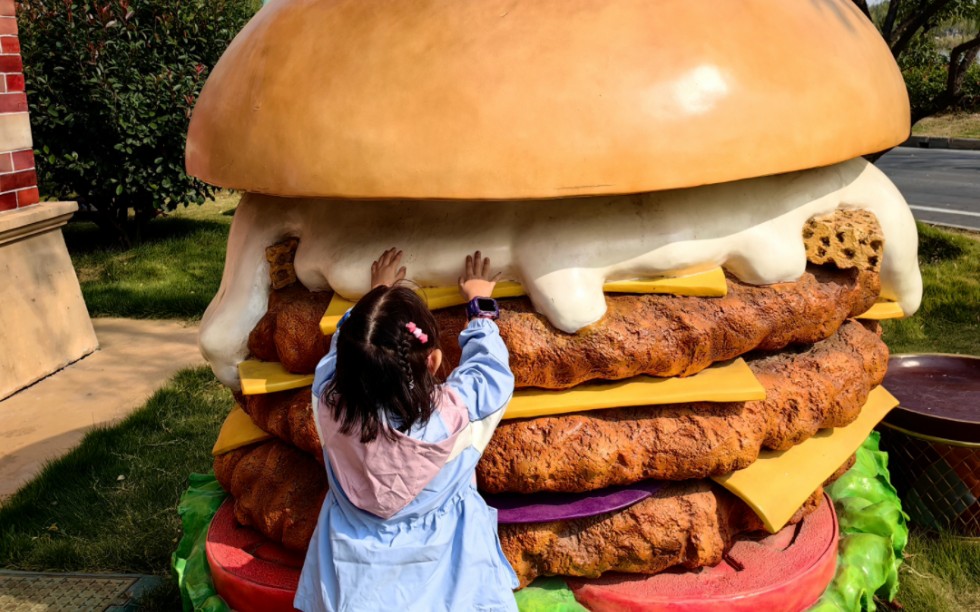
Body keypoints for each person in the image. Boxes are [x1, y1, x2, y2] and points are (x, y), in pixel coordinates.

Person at [294, 248, 520, 611]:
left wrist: (373, 303)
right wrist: (480, 307)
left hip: (354, 587)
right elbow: (489, 373)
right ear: (433, 360)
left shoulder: (328, 403)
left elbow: (341, 353)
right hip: (451, 587)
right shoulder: (457, 417)